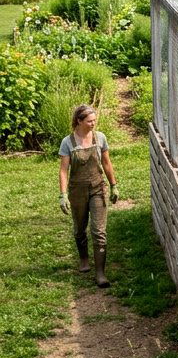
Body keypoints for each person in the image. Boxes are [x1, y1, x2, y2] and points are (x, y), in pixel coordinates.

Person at [58, 104, 120, 287]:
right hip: (77, 190)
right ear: (79, 121)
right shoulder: (67, 142)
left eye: (94, 120)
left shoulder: (100, 138)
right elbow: (63, 171)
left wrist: (114, 185)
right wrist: (63, 194)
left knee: (99, 231)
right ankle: (84, 258)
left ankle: (100, 273)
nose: (93, 123)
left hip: (97, 188)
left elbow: (107, 163)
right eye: (89, 120)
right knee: (79, 228)